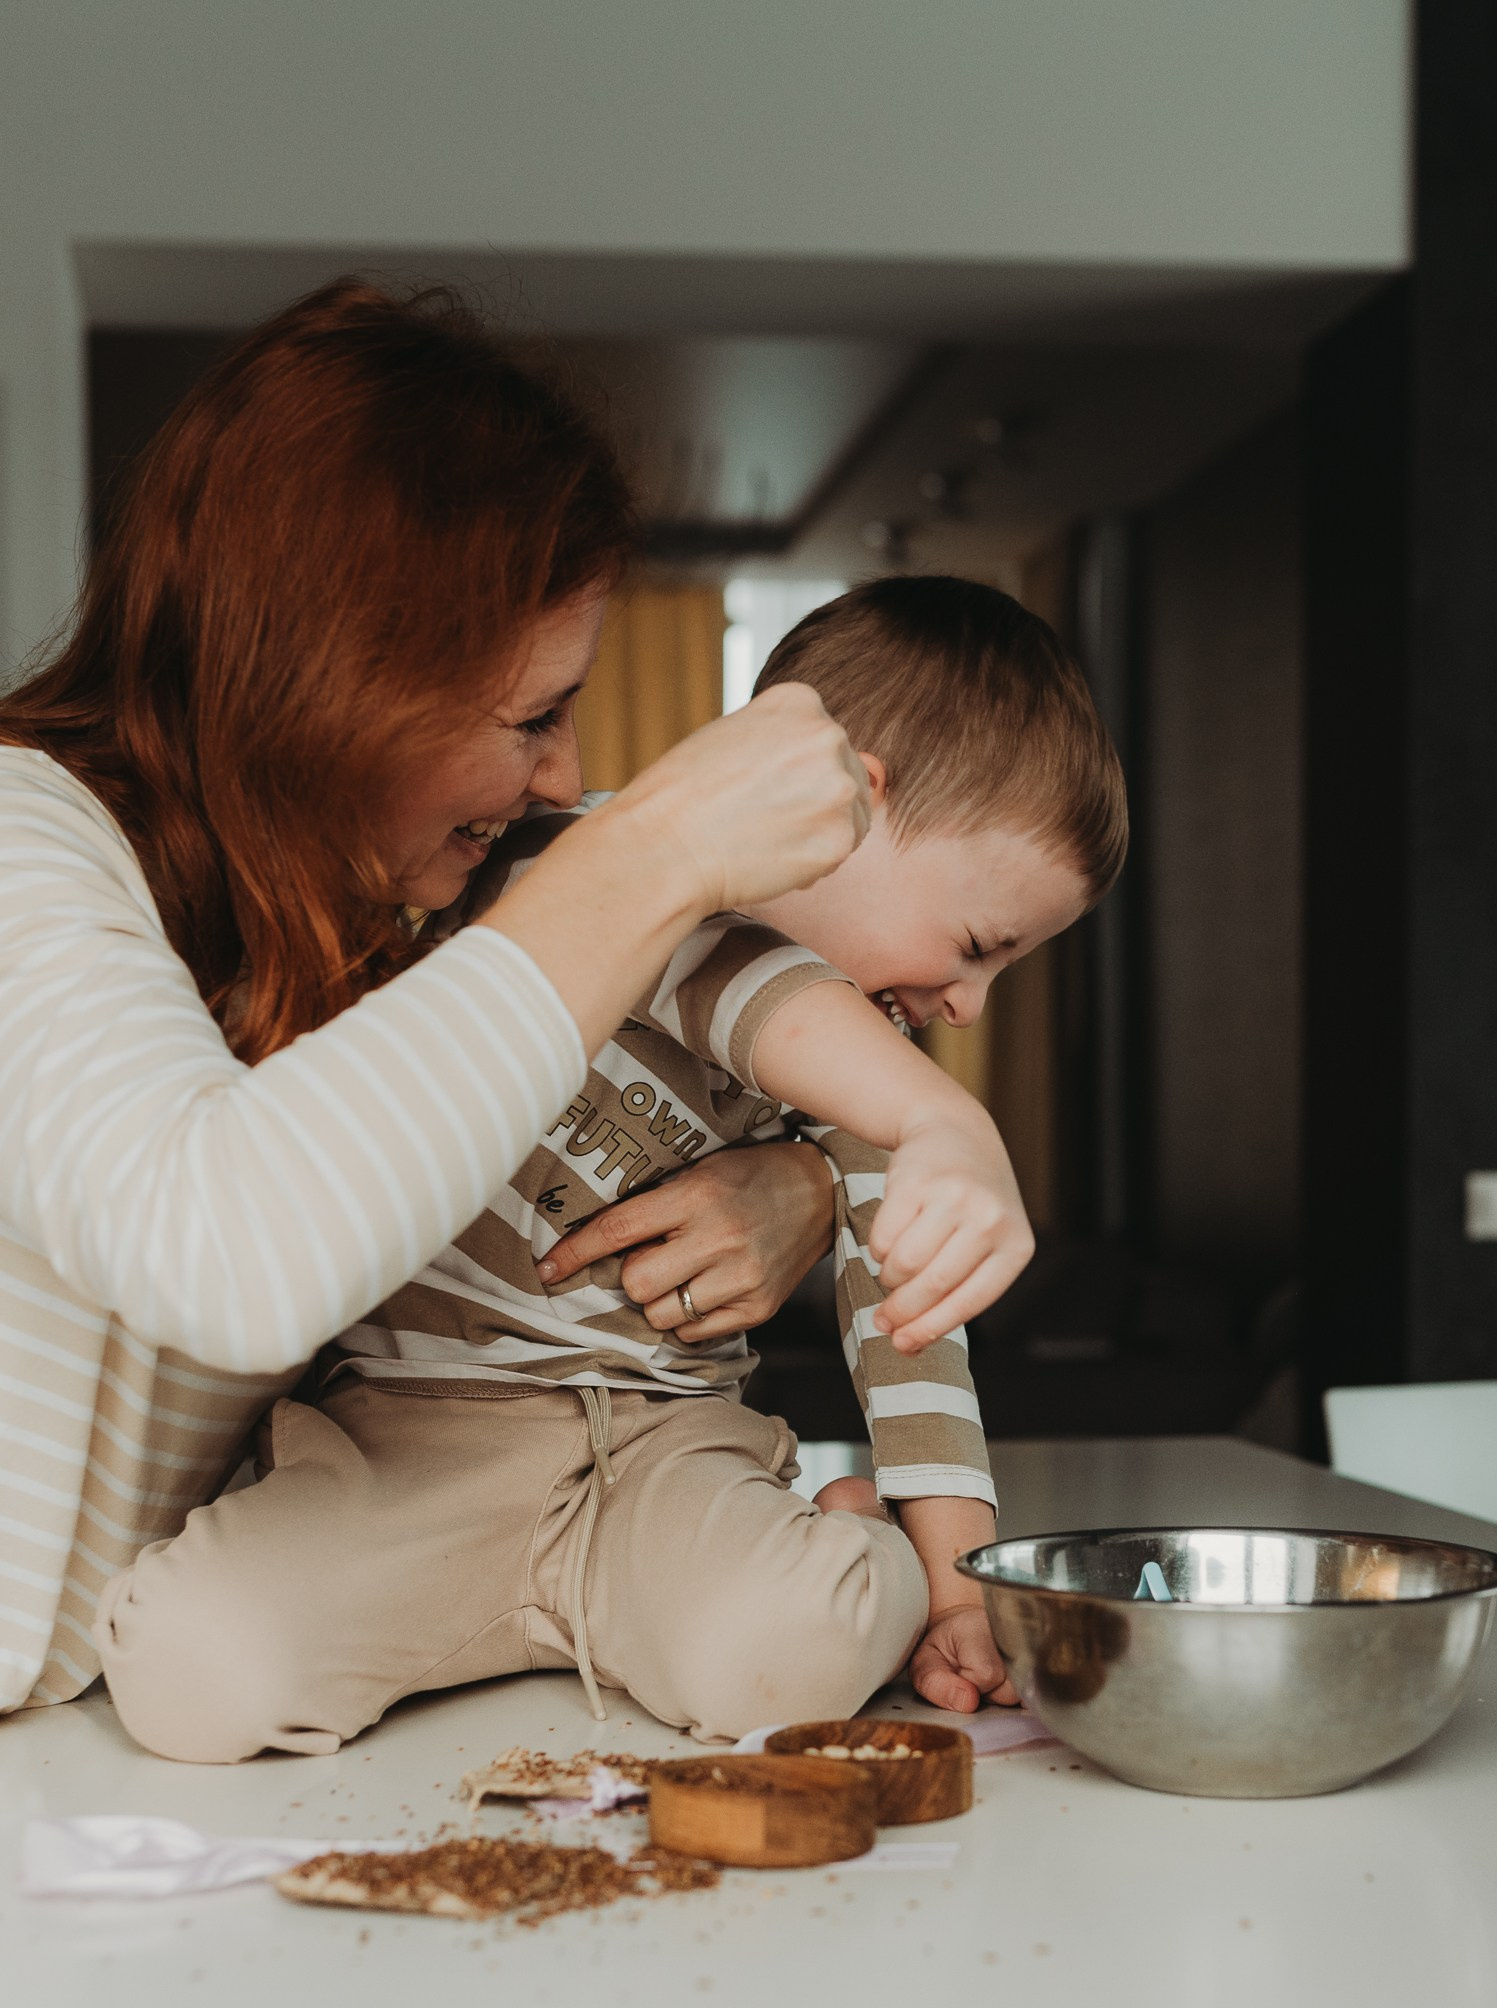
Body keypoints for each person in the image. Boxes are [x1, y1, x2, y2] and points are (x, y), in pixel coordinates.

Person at [0, 280, 887, 1721]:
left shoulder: (332, 934)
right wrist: (646, 851)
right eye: (533, 715)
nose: (560, 773)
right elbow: (232, 1247)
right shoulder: (16, 843)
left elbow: (457, 1171)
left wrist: (800, 1177)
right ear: (338, 680)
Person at [95, 581, 1126, 1758]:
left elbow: (912, 1328)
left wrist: (949, 1590)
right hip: (411, 1438)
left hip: (663, 1450)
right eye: (978, 946)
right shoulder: (572, 865)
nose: (966, 1002)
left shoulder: (869, 1073)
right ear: (848, 797)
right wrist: (948, 1120)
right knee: (187, 1676)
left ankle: (850, 1551)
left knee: (792, 1655)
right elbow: (744, 989)